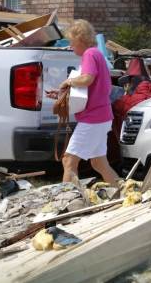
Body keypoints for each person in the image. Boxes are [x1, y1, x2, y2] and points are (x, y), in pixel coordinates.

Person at [47, 19, 119, 185]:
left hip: (93, 118)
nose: (71, 47)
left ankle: (67, 202)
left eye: (72, 42)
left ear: (80, 40)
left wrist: (67, 82)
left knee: (69, 161)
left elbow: (87, 79)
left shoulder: (89, 54)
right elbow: (90, 87)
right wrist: (61, 94)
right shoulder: (96, 54)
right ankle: (120, 194)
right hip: (102, 116)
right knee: (99, 163)